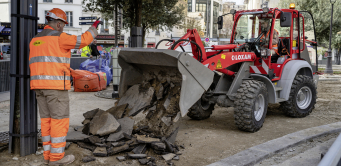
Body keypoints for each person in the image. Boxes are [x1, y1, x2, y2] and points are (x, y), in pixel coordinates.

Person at [29, 8, 101, 165]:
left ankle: (48, 155)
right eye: (63, 24)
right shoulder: (59, 37)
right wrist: (93, 29)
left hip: (38, 87)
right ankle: (56, 159)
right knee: (59, 121)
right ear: (59, 24)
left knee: (46, 121)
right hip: (55, 87)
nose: (63, 27)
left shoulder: (35, 39)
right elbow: (83, 40)